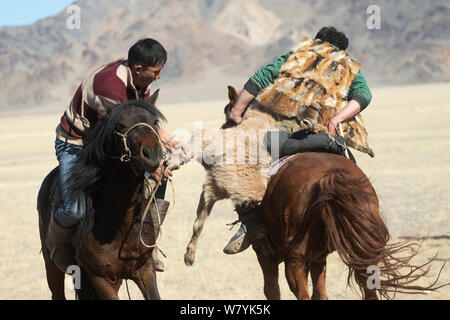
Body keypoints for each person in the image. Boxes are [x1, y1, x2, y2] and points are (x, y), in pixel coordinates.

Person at [224, 26, 372, 255]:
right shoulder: (347, 67)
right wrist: (336, 120)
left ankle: (251, 221)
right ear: (342, 52)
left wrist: (236, 110)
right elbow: (364, 95)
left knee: (244, 160)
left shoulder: (297, 56)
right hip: (325, 136)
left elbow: (260, 77)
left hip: (282, 134)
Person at [46, 38, 177, 273]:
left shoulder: (138, 79)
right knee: (73, 208)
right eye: (156, 72)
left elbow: (140, 119)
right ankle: (56, 244)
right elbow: (125, 129)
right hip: (76, 143)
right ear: (138, 68)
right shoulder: (109, 87)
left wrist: (163, 139)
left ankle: (149, 243)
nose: (158, 77)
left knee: (159, 177)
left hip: (107, 141)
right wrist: (150, 167)